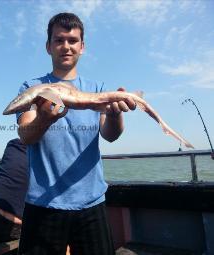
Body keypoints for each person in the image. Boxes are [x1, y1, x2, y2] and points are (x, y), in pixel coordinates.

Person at [16, 13, 136, 255]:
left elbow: (110, 135)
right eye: (59, 40)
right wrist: (45, 118)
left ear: (82, 47)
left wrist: (114, 115)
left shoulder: (99, 89)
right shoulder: (32, 88)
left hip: (91, 202)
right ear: (48, 46)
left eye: (72, 40)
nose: (66, 46)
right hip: (43, 203)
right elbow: (26, 135)